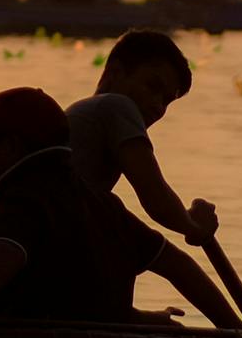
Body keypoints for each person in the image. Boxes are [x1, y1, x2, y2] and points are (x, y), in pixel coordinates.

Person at [0, 85, 238, 328]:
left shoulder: (24, 199)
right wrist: (236, 327)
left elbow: (3, 257)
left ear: (10, 145)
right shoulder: (105, 205)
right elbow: (177, 264)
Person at [67, 27, 220, 252]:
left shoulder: (87, 112)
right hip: (46, 234)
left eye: (167, 101)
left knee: (159, 252)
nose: (157, 106)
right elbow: (155, 197)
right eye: (152, 86)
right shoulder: (116, 106)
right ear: (115, 74)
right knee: (171, 259)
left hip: (57, 230)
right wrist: (194, 228)